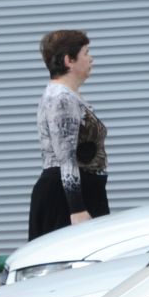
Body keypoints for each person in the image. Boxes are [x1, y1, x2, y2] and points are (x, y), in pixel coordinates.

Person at [29, 30, 107, 240]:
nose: (91, 58)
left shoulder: (68, 96)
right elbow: (66, 157)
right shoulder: (61, 99)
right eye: (86, 53)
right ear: (69, 60)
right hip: (65, 201)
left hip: (79, 193)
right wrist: (77, 209)